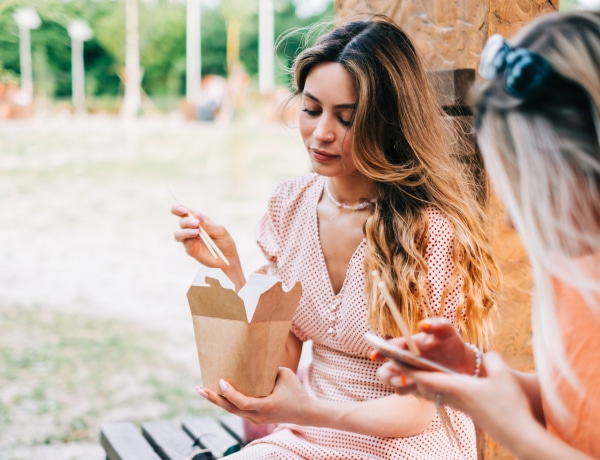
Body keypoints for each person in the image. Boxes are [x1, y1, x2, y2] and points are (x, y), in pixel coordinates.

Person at [172, 15, 500, 459]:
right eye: (311, 109)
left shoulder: (428, 231)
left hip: (408, 443)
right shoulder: (289, 206)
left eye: (347, 118)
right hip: (311, 437)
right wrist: (230, 268)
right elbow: (277, 366)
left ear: (389, 123)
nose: (321, 133)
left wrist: (308, 410)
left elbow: (417, 412)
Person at [375, 10, 600, 460]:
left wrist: (512, 430)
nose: (513, 224)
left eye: (528, 186)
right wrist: (470, 373)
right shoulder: (575, 272)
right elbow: (580, 408)